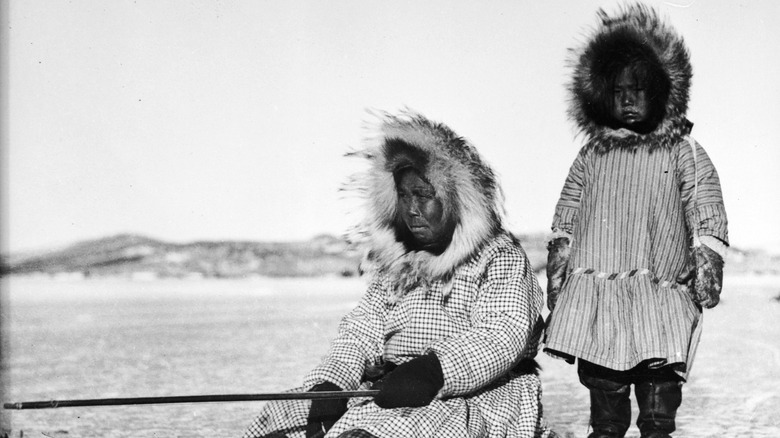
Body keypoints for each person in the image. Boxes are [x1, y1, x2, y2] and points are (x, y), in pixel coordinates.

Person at [243, 111, 554, 438]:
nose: (411, 209)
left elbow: (502, 331)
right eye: (404, 195)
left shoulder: (497, 255)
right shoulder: (399, 257)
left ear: (455, 200)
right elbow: (365, 328)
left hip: (475, 391)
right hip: (395, 384)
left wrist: (437, 370)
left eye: (423, 195)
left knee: (397, 429)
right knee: (289, 418)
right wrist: (334, 381)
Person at [543, 4, 729, 438]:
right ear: (601, 93)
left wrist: (708, 260)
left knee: (657, 402)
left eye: (639, 88)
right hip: (599, 297)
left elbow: (705, 205)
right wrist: (558, 271)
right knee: (605, 404)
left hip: (659, 295)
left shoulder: (682, 151)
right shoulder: (593, 155)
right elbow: (566, 215)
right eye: (618, 89)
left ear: (663, 91)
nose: (628, 98)